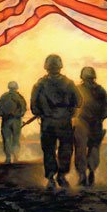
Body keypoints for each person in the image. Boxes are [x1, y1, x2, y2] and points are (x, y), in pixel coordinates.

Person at [29, 53, 80, 190]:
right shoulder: (69, 83)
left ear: (46, 67)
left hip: (48, 122)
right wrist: (70, 111)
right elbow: (79, 101)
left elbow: (34, 105)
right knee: (66, 149)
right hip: (64, 122)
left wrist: (41, 112)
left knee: (49, 150)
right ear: (60, 66)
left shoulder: (39, 84)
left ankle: (51, 177)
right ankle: (62, 176)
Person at [72, 66, 107, 187]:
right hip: (88, 122)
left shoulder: (80, 89)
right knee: (89, 148)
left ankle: (85, 174)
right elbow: (106, 106)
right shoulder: (99, 90)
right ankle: (88, 173)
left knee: (84, 148)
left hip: (88, 123)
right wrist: (101, 117)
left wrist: (100, 117)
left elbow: (106, 106)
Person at [0, 81, 26, 164]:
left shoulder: (4, 96)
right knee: (16, 139)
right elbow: (23, 108)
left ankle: (8, 158)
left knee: (6, 139)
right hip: (16, 121)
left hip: (6, 120)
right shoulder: (19, 97)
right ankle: (15, 157)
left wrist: (3, 114)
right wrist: (19, 114)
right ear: (16, 88)